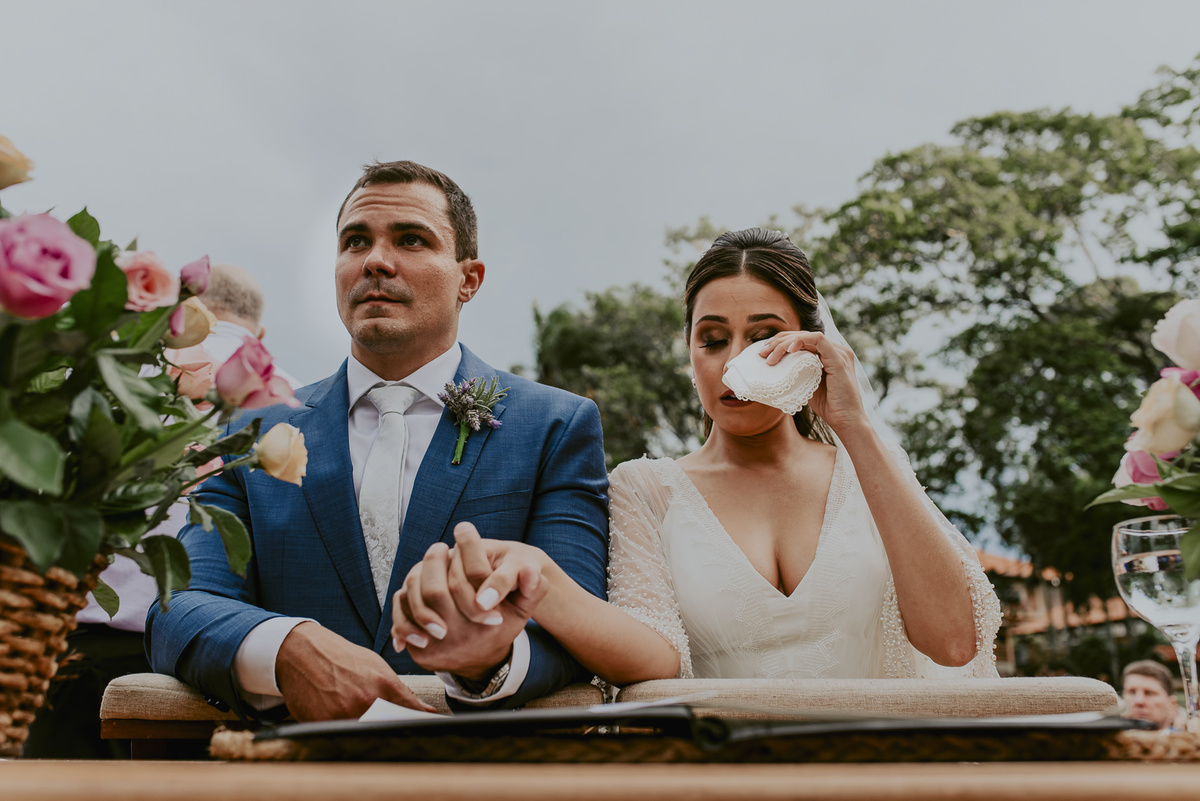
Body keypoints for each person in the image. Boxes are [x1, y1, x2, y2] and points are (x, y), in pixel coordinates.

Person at [394, 228, 1001, 684]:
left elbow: (953, 643)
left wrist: (856, 429)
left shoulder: (870, 473)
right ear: (691, 356)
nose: (735, 359)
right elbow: (657, 653)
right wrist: (539, 577)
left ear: (812, 347)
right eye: (712, 339)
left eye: (765, 337)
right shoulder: (646, 489)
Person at [146, 161, 609, 721]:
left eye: (411, 240)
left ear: (469, 278)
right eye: (355, 241)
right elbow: (181, 607)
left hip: (483, 766)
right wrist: (283, 646)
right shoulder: (251, 432)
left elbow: (579, 625)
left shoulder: (555, 426)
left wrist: (487, 662)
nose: (375, 261)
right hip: (287, 770)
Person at [22, 262, 299, 758]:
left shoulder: (123, 366)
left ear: (183, 306)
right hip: (216, 664)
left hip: (83, 646)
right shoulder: (291, 398)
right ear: (259, 329)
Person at [1121, 660, 1179, 731]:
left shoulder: (1189, 741)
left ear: (1172, 705)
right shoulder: (1105, 739)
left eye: (1149, 693)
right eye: (1132, 692)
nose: (1139, 701)